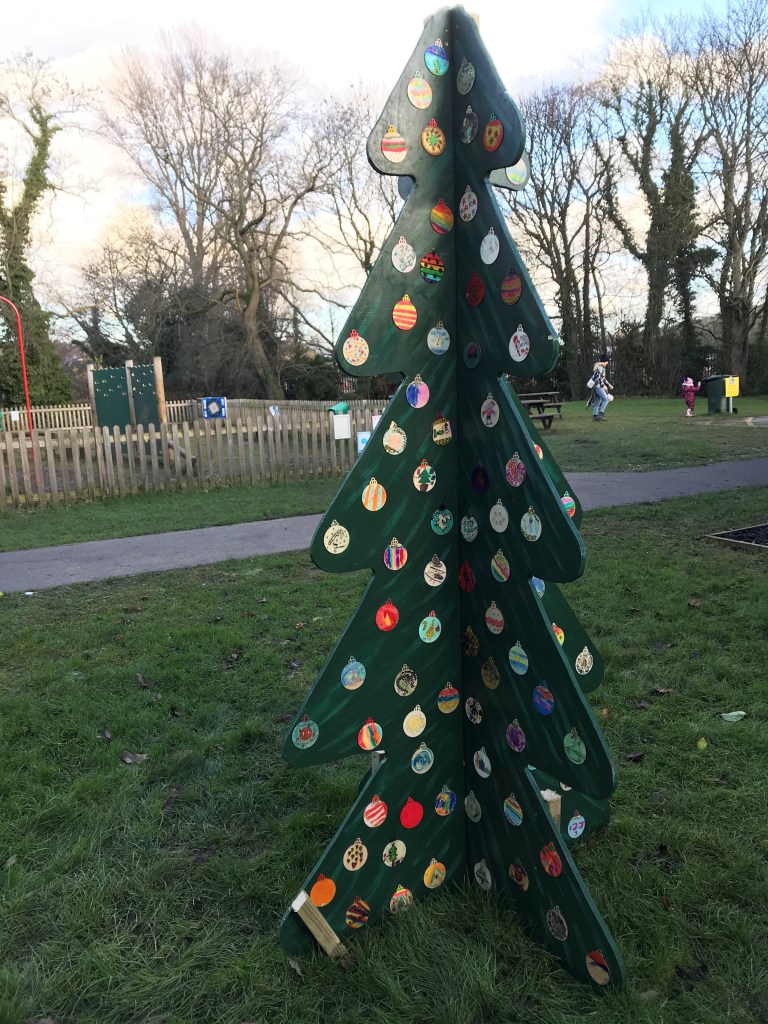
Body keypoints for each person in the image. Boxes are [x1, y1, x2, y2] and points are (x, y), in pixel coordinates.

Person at [588, 354, 614, 421]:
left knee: (597, 402)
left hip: (595, 387)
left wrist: (609, 384)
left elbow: (603, 378)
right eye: (607, 362)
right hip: (598, 386)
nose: (607, 363)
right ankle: (601, 414)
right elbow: (598, 379)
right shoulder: (601, 368)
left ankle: (595, 416)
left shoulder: (599, 367)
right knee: (606, 399)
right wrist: (603, 386)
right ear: (605, 361)